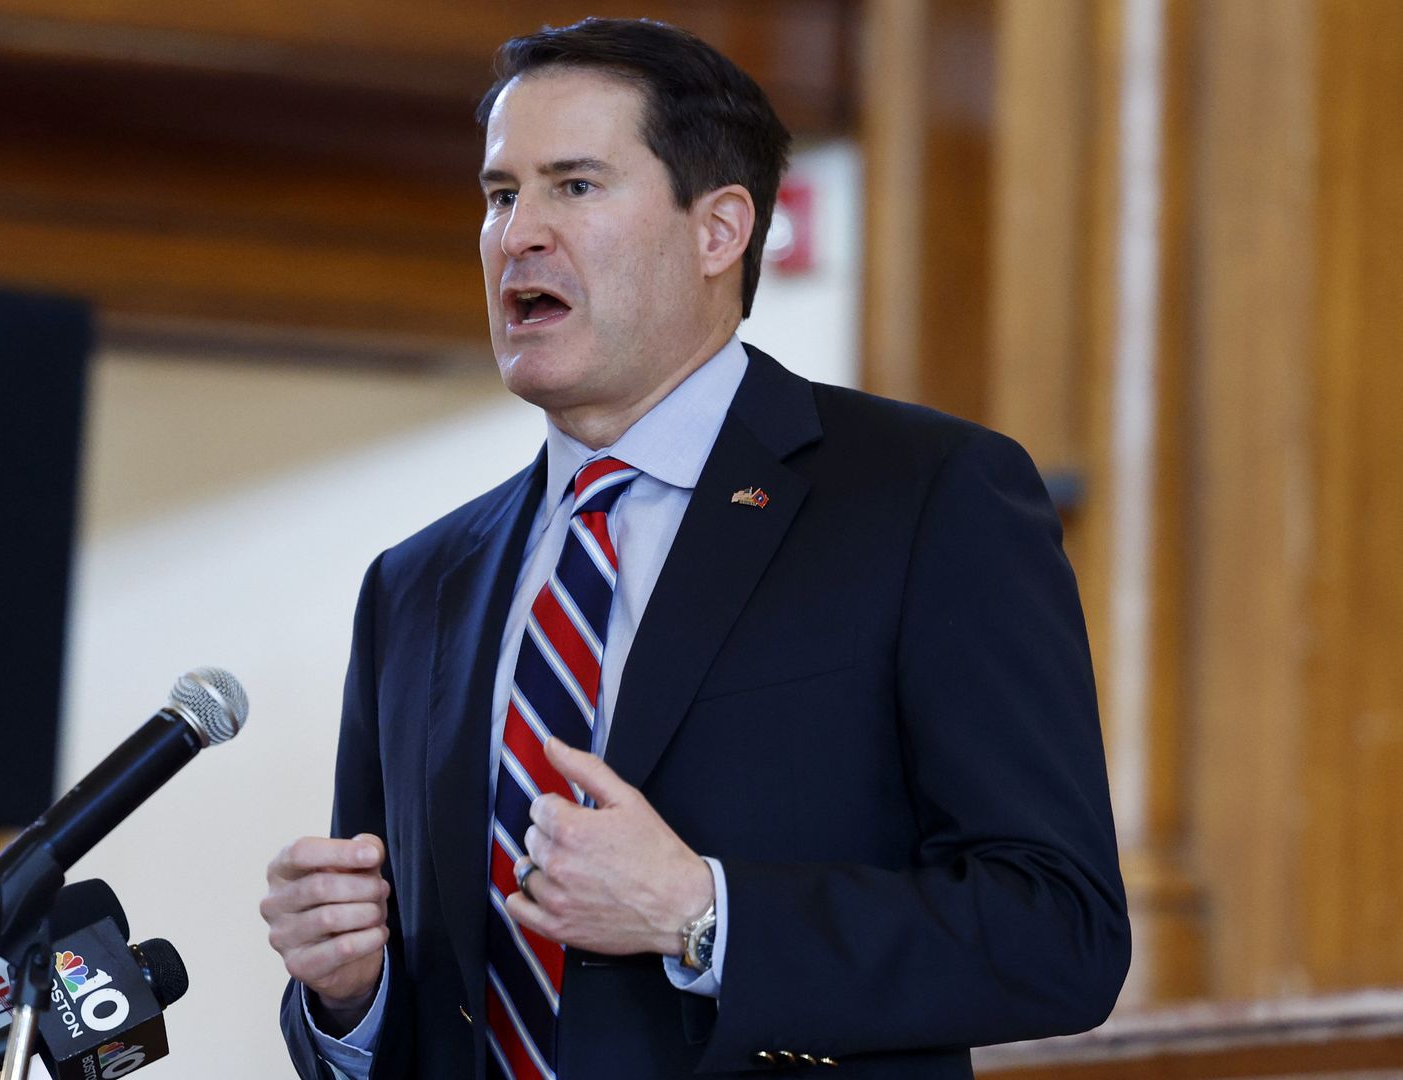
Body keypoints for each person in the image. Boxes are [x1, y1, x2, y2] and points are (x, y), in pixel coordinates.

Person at [260, 17, 1128, 1079]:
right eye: (500, 194)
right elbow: (423, 1016)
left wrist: (704, 917)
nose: (517, 234)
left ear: (719, 231)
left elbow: (1061, 935)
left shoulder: (925, 498)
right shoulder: (415, 586)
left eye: (574, 187)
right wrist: (348, 996)